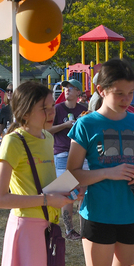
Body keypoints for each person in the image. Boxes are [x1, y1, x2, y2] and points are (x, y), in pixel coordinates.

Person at [0, 81, 75, 266]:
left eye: (52, 107)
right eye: (45, 108)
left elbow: (48, 185)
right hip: (27, 228)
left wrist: (69, 189)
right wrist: (46, 200)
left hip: (48, 227)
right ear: (25, 112)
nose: (52, 113)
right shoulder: (13, 142)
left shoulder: (48, 137)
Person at [68, 59, 134, 266]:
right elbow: (72, 174)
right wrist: (108, 173)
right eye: (119, 93)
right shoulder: (86, 124)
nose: (127, 99)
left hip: (131, 212)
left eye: (131, 93)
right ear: (101, 91)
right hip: (98, 213)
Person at [49, 78, 88, 240]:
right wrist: (65, 126)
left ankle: (85, 230)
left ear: (78, 92)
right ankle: (69, 230)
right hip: (62, 154)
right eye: (65, 88)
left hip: (82, 155)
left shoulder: (83, 110)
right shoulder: (57, 109)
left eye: (71, 88)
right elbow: (47, 130)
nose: (67, 90)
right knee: (67, 194)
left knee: (83, 192)